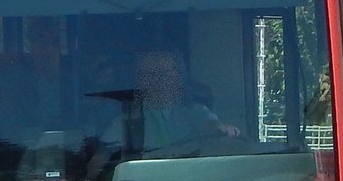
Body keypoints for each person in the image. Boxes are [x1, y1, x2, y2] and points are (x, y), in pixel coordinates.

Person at [99, 49, 240, 154]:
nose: (158, 81)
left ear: (177, 77)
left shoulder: (195, 112)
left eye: (164, 74)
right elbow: (101, 161)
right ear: (139, 80)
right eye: (149, 74)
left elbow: (211, 126)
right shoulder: (123, 122)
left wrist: (222, 129)